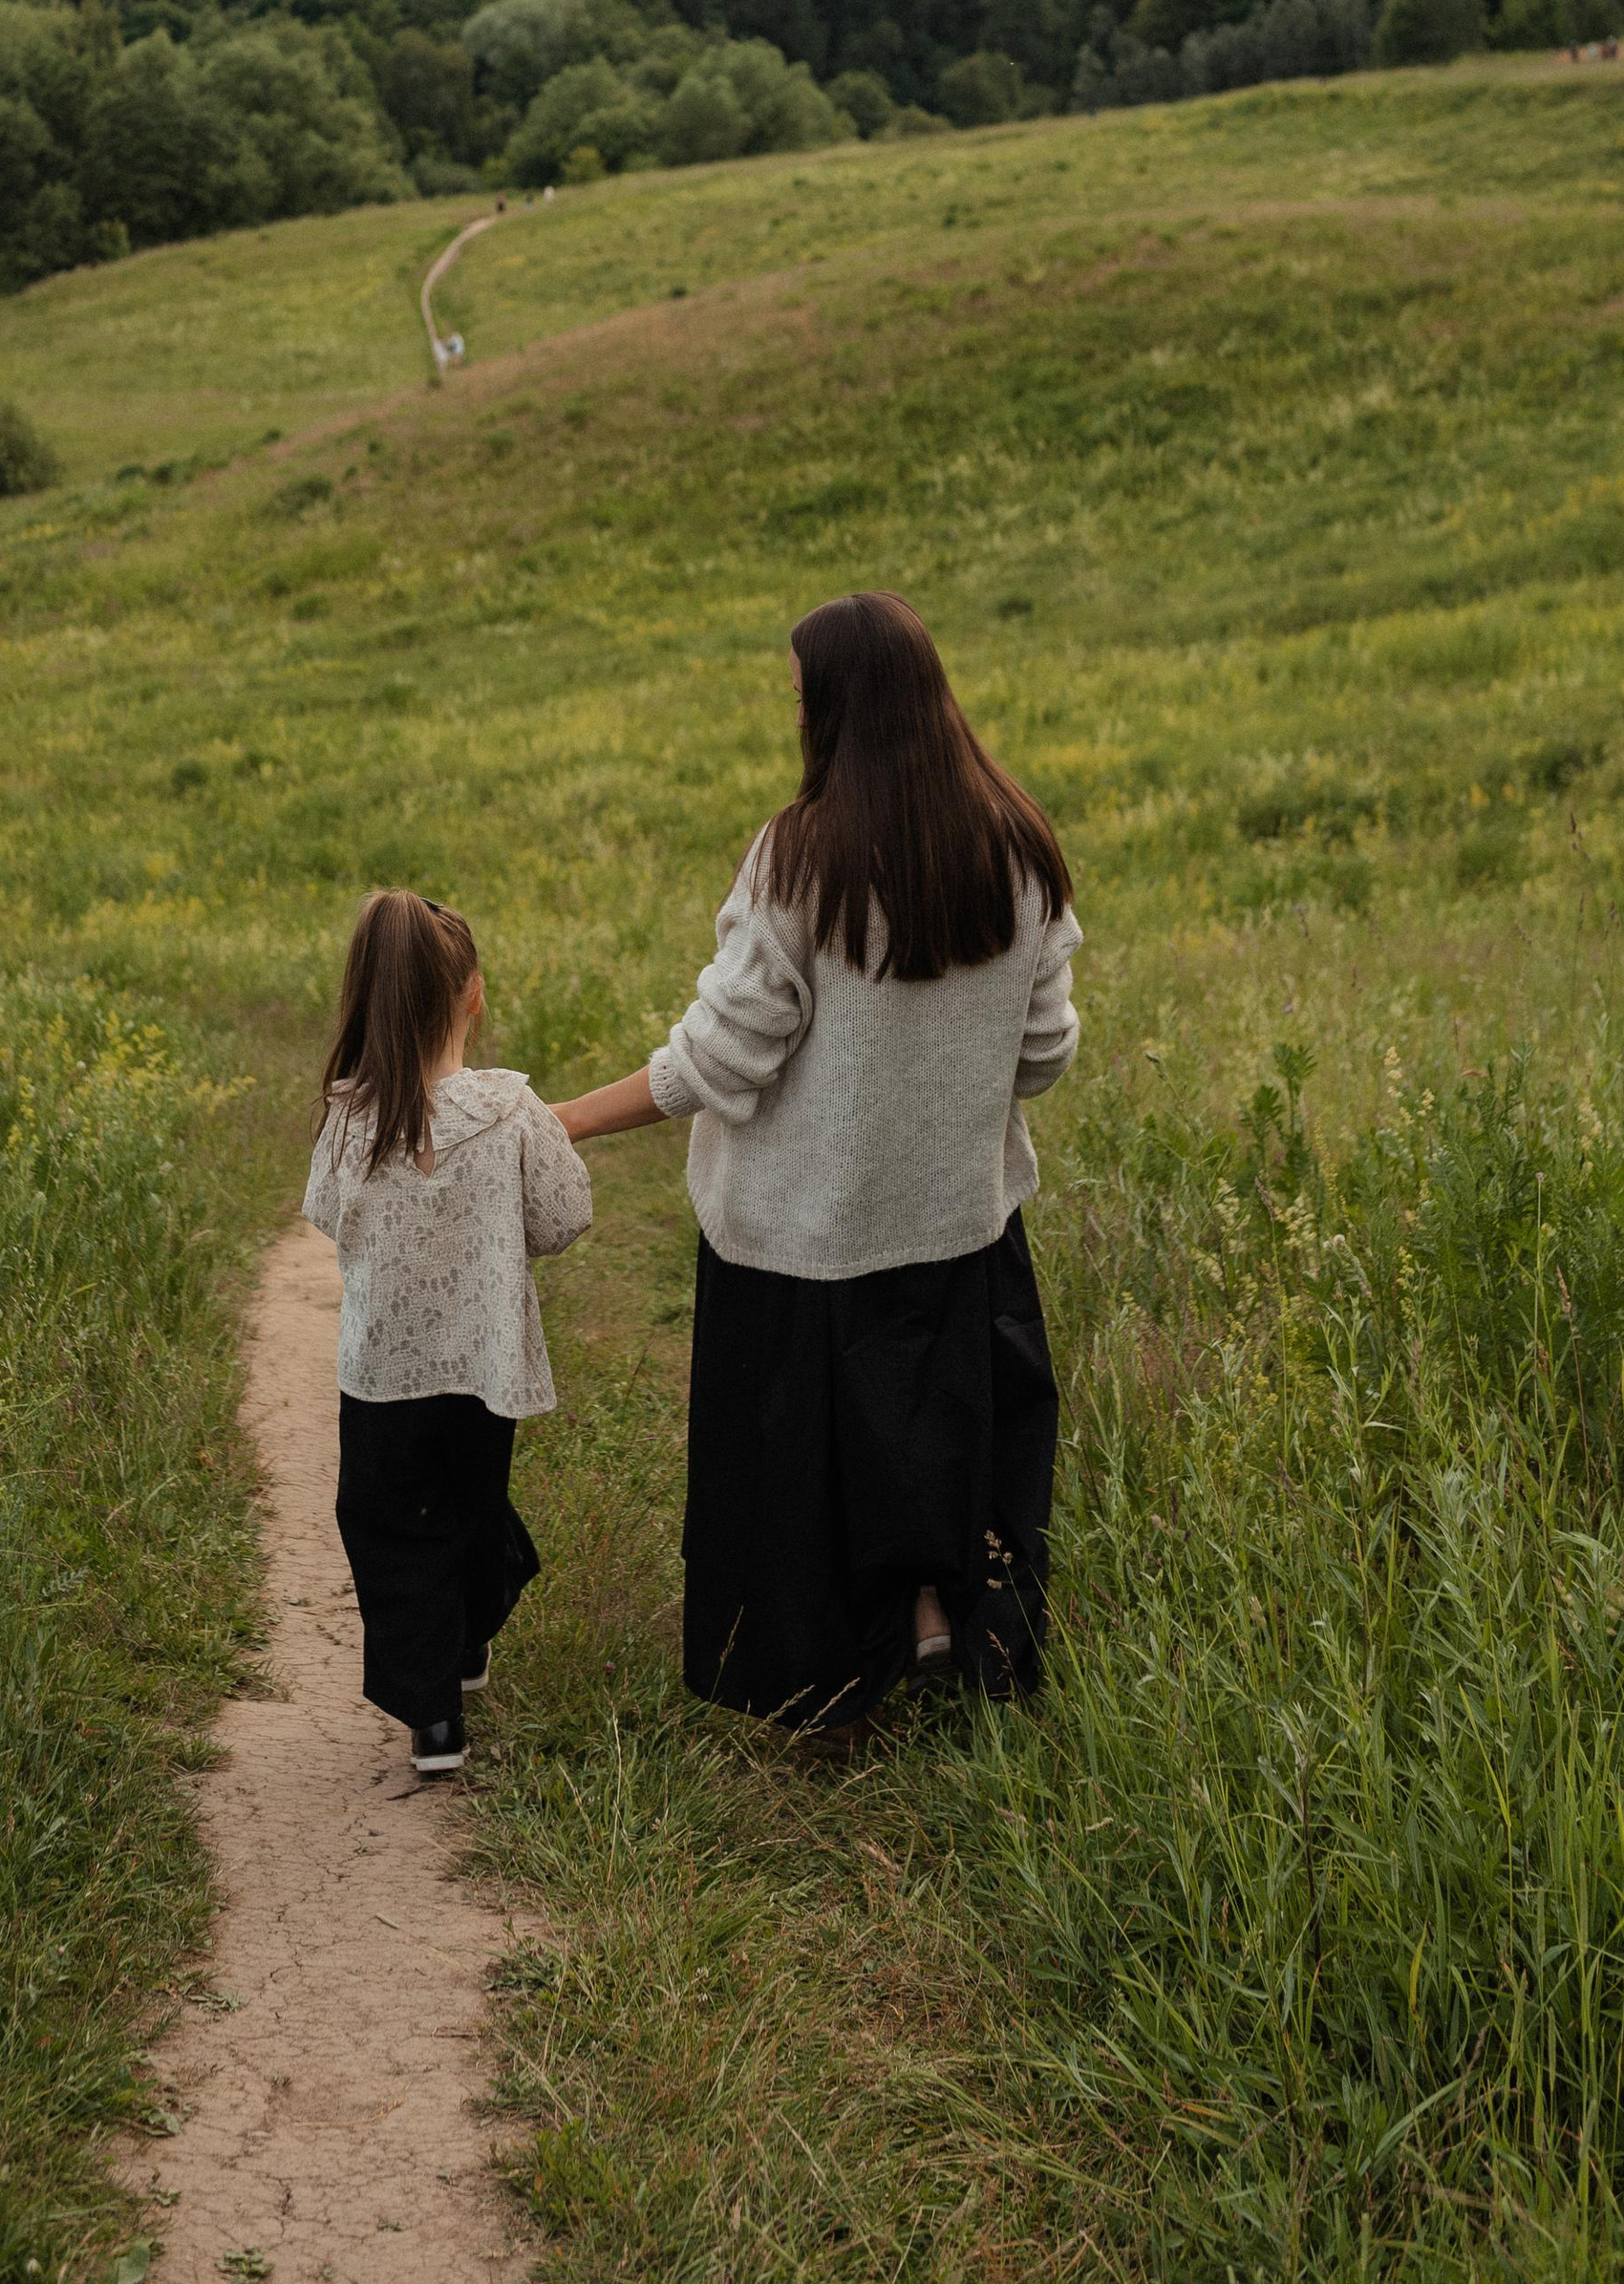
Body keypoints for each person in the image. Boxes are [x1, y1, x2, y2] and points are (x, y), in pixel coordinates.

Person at [555, 591, 1079, 1733]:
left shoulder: (801, 858)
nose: (789, 713)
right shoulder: (1021, 844)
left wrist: (563, 1121)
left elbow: (717, 1060)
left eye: (796, 695)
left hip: (803, 1237)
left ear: (835, 706)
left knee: (806, 1473)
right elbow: (1041, 1056)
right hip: (959, 1225)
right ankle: (943, 1618)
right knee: (942, 1436)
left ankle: (819, 1679)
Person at [304, 888, 592, 1776]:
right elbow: (566, 1215)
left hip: (381, 1373)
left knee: (386, 1523)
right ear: (473, 994)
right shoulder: (511, 1108)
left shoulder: (350, 1115)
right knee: (469, 1510)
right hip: (484, 1369)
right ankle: (462, 1642)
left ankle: (433, 1715)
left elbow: (324, 1216)